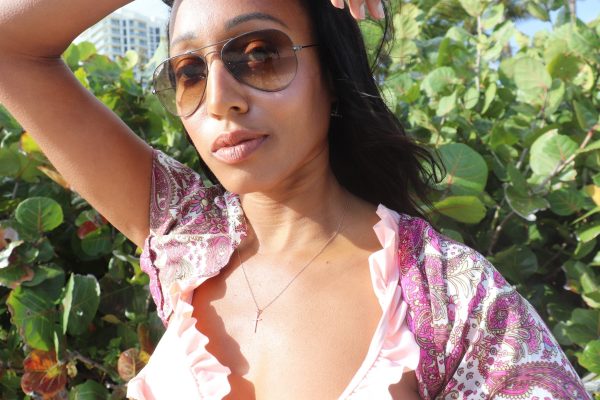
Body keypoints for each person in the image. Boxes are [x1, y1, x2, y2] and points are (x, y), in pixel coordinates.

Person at [0, 0, 590, 399]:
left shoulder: (449, 298)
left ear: (331, 74)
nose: (220, 97)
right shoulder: (186, 239)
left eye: (259, 54)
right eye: (188, 71)